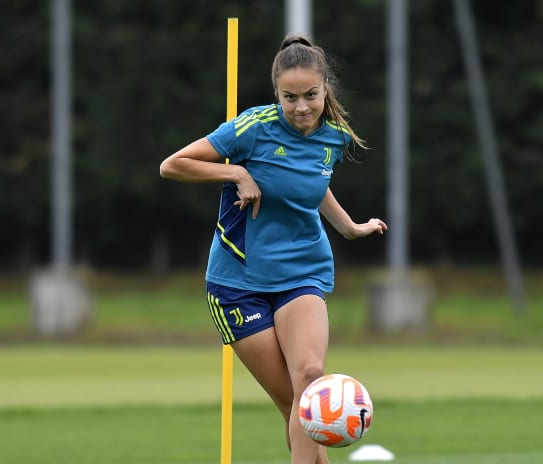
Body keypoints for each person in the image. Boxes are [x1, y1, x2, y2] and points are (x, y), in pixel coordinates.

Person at [159, 34, 387, 464]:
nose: (301, 107)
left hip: (302, 271)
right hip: (237, 283)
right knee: (294, 405)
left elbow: (311, 188)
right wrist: (237, 174)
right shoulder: (252, 127)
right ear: (276, 93)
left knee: (310, 382)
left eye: (311, 96)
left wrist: (349, 227)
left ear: (325, 90)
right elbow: (172, 165)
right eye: (290, 97)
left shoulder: (334, 139)